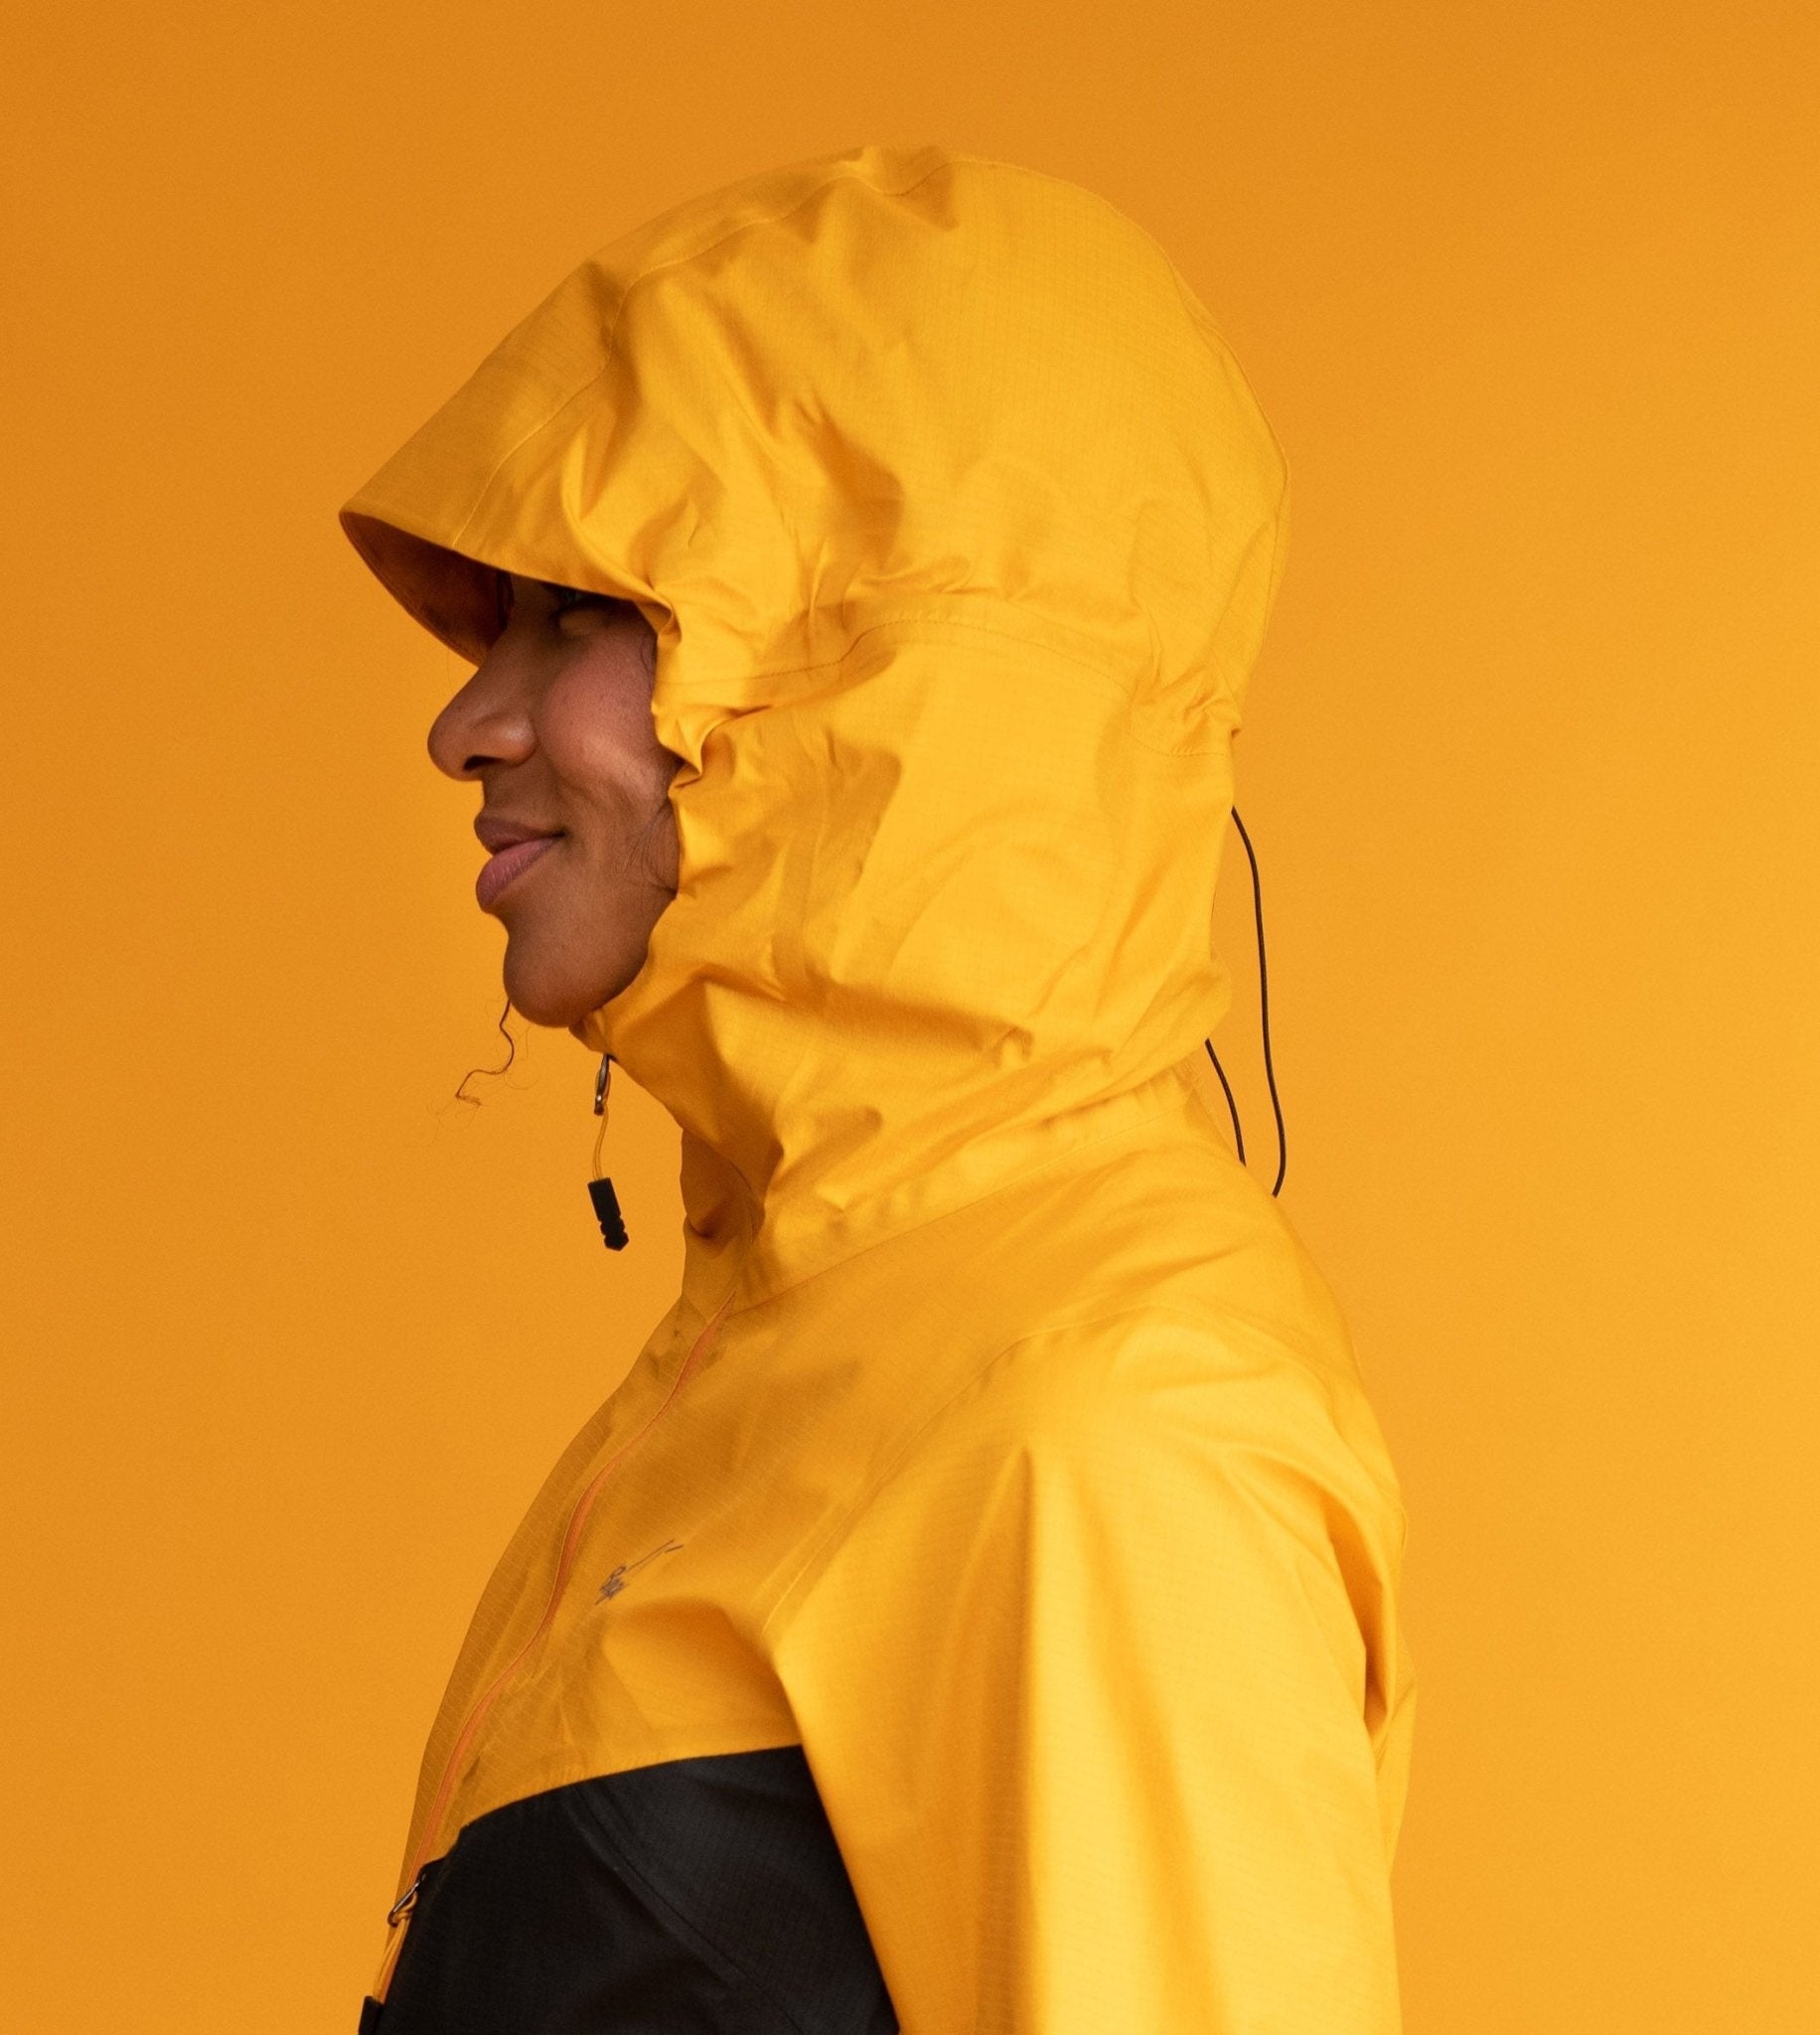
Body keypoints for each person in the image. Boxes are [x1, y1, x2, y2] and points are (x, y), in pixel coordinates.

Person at [339, 142, 1417, 2034]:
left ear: (889, 672)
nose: (466, 722)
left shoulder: (1099, 1430)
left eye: (577, 619)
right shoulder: (783, 1359)